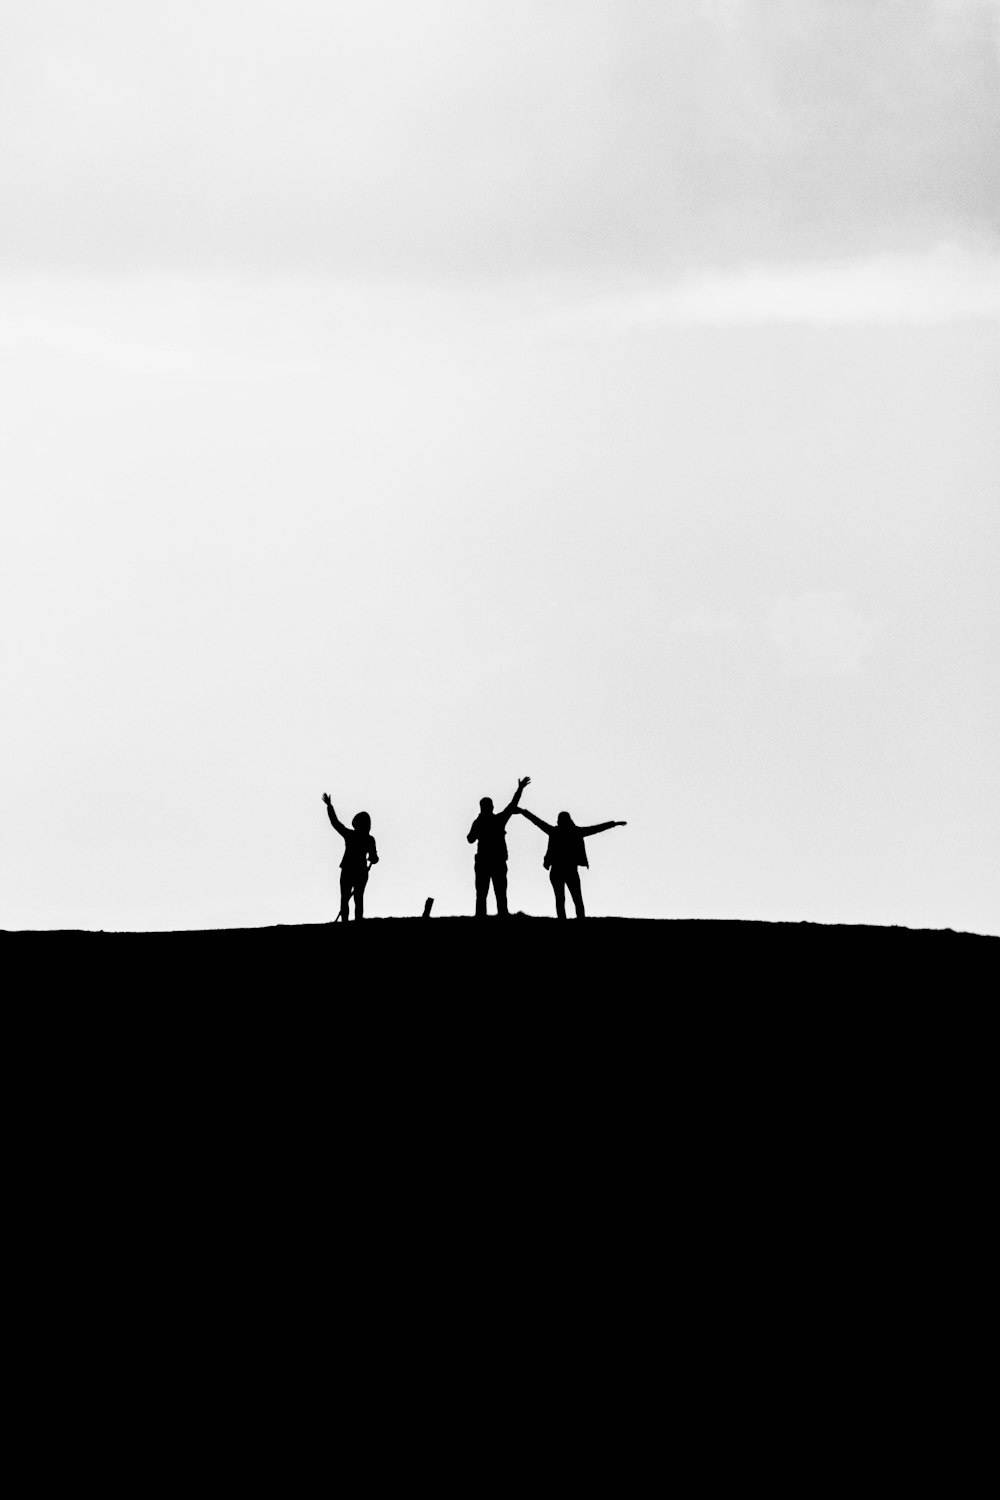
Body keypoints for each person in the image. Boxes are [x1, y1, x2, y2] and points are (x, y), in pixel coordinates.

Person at [515, 804, 626, 919]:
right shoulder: (575, 832)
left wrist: (524, 812)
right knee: (575, 898)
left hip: (558, 870)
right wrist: (614, 824)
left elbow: (537, 821)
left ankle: (565, 920)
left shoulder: (555, 831)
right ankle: (579, 920)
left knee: (562, 899)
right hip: (570, 870)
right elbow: (595, 829)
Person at [467, 776, 530, 918]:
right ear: (492, 807)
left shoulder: (479, 822)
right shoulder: (498, 820)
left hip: (484, 861)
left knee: (483, 894)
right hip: (496, 861)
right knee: (500, 893)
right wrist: (520, 789)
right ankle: (502, 916)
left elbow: (470, 839)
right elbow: (512, 805)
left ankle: (482, 917)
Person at [322, 793, 378, 921]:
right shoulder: (365, 838)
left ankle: (351, 920)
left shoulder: (357, 837)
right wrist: (330, 807)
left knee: (352, 897)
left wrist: (373, 859)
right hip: (355, 870)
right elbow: (335, 823)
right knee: (352, 897)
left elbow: (374, 856)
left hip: (353, 870)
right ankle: (352, 920)